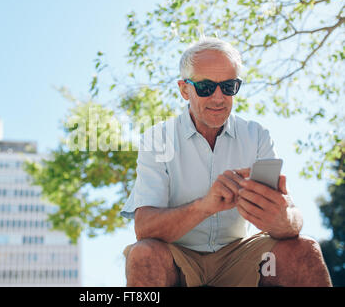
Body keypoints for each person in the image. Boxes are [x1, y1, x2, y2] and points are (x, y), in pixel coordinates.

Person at [120, 37, 332, 287]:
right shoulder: (157, 139)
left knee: (305, 249)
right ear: (184, 89)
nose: (219, 98)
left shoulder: (257, 136)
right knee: (144, 253)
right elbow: (144, 228)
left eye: (229, 86)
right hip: (177, 257)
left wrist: (284, 221)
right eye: (206, 87)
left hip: (242, 255)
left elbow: (293, 215)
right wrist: (205, 206)